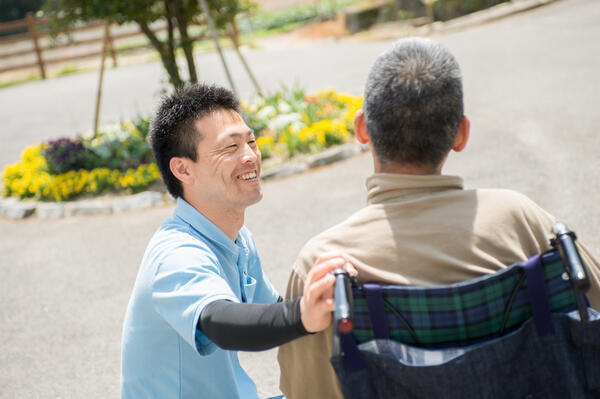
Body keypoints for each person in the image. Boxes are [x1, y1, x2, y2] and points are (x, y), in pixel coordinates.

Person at [277, 37, 600, 399]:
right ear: (461, 133)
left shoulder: (324, 265)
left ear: (362, 128)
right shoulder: (521, 220)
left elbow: (306, 391)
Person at [120, 83, 350, 399]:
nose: (250, 156)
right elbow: (219, 321)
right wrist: (302, 316)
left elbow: (271, 314)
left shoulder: (237, 239)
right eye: (230, 148)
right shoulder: (176, 253)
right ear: (183, 169)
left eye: (251, 141)